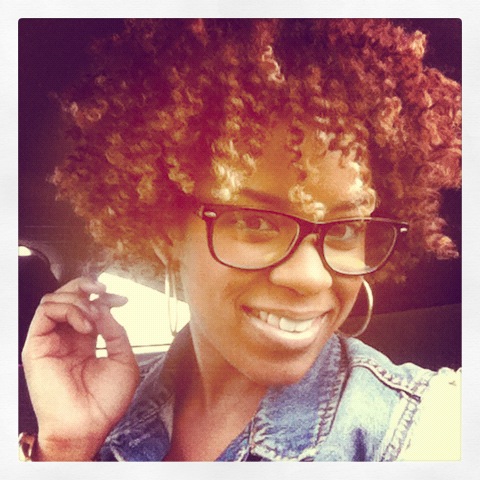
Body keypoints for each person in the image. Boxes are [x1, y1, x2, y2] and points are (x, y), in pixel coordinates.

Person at [20, 19, 461, 462]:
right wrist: (67, 449)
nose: (311, 278)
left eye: (346, 229)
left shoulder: (427, 428)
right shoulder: (106, 406)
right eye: (255, 222)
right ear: (165, 232)